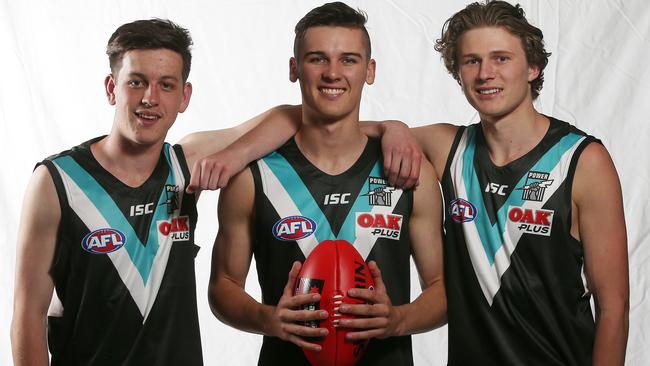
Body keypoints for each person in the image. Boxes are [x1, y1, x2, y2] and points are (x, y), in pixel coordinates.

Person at [9, 18, 326, 366]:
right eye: (136, 82)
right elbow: (28, 315)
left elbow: (290, 117)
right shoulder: (57, 181)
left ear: (184, 96)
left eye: (166, 85)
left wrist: (388, 128)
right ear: (111, 87)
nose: (150, 98)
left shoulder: (185, 164)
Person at [366, 1, 628, 364]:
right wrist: (391, 128)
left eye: (501, 58)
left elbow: (614, 306)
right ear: (458, 74)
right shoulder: (449, 149)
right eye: (472, 61)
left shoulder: (582, 161)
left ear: (533, 67)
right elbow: (330, 130)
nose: (485, 72)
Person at [207, 2, 446, 365]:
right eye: (317, 59)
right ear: (294, 68)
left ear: (370, 71)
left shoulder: (410, 172)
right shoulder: (252, 176)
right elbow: (222, 286)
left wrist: (397, 320)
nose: (333, 73)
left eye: (348, 59)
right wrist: (270, 320)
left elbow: (443, 289)